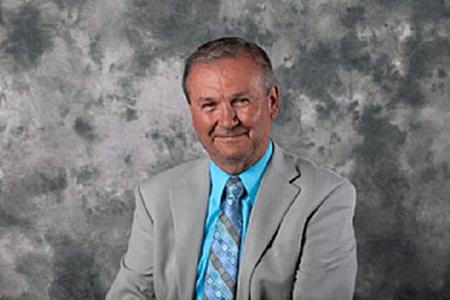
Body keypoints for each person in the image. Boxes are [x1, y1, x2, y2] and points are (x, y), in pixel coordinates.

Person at [106, 37, 357, 300]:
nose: (227, 121)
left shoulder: (325, 196)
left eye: (241, 101)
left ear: (272, 101)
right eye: (209, 105)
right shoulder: (155, 196)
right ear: (192, 112)